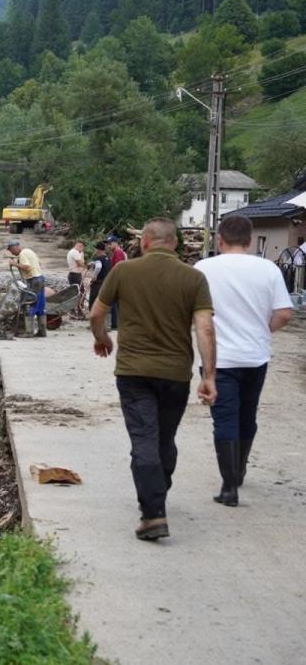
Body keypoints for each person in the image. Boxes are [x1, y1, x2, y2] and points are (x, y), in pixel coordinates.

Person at [91, 218, 216, 541]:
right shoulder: (194, 278)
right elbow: (204, 328)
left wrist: (102, 338)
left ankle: (152, 514)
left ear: (144, 242)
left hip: (133, 372)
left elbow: (96, 314)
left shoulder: (124, 271)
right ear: (174, 244)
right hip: (176, 374)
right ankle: (157, 494)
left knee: (144, 440)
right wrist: (210, 376)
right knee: (164, 439)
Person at [194, 215, 295, 507]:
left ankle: (229, 487)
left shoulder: (203, 269)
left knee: (224, 419)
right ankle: (239, 470)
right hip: (255, 356)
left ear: (219, 239)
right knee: (247, 416)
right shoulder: (268, 269)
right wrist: (264, 329)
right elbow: (285, 312)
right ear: (250, 241)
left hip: (219, 357)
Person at [7, 239, 47, 337]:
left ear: (15, 247)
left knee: (29, 304)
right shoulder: (29, 251)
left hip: (33, 280)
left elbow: (27, 267)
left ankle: (29, 332)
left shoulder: (22, 254)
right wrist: (19, 263)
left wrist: (14, 264)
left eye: (11, 250)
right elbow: (38, 264)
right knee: (40, 306)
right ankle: (42, 332)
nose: (11, 252)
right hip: (40, 279)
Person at [106, 235, 128, 330]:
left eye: (110, 243)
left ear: (115, 243)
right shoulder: (117, 252)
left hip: (118, 281)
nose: (109, 245)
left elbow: (117, 268)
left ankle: (116, 324)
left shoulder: (118, 252)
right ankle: (118, 324)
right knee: (117, 303)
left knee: (114, 303)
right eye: (108, 244)